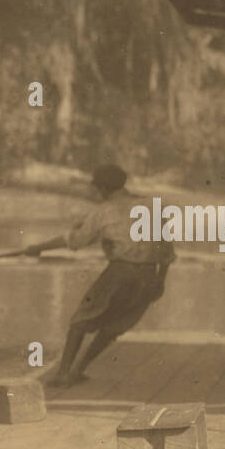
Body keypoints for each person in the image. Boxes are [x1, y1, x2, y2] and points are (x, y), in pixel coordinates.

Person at [26, 163, 175, 386]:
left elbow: (75, 241)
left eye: (98, 189)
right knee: (113, 326)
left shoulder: (104, 211)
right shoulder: (153, 206)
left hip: (120, 272)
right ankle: (78, 369)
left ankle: (63, 373)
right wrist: (160, 280)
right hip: (149, 274)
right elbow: (166, 249)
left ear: (104, 188)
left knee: (80, 321)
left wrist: (38, 247)